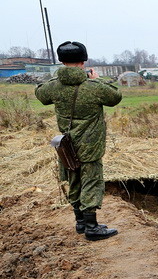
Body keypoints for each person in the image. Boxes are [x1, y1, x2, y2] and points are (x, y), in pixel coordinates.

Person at [35, 41, 122, 241]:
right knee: (91, 181)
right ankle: (92, 227)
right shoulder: (93, 86)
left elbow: (40, 93)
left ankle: (80, 222)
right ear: (83, 61)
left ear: (61, 61)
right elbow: (115, 97)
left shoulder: (55, 85)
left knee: (74, 179)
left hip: (67, 145)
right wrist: (98, 80)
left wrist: (56, 78)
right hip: (90, 143)